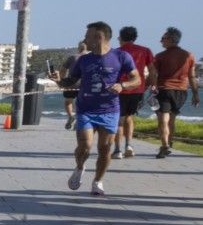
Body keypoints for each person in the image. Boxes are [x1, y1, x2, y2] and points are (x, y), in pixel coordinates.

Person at [61, 21, 138, 195]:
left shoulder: (121, 57)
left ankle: (98, 181)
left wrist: (123, 85)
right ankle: (80, 167)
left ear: (99, 37)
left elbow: (137, 79)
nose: (84, 38)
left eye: (87, 35)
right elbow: (70, 82)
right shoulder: (84, 59)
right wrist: (57, 80)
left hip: (110, 110)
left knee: (104, 148)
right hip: (86, 109)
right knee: (85, 145)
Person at [151, 27, 197, 158]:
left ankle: (165, 145)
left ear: (171, 40)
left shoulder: (160, 56)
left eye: (163, 38)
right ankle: (169, 142)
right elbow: (192, 76)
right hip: (181, 92)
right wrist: (195, 94)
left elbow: (153, 74)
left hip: (164, 89)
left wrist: (153, 87)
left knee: (163, 120)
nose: (160, 41)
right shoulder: (189, 55)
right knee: (172, 120)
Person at [112, 26, 153, 159]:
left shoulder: (116, 52)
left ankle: (117, 150)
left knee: (118, 119)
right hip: (137, 89)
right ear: (134, 38)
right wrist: (147, 85)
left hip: (119, 89)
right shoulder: (145, 51)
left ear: (121, 37)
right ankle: (129, 145)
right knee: (129, 117)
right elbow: (153, 71)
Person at [58, 43, 86, 130]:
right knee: (82, 103)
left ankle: (70, 116)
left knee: (68, 101)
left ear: (78, 48)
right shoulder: (90, 57)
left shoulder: (72, 57)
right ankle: (78, 119)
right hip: (85, 84)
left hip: (71, 82)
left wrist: (62, 80)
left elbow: (63, 70)